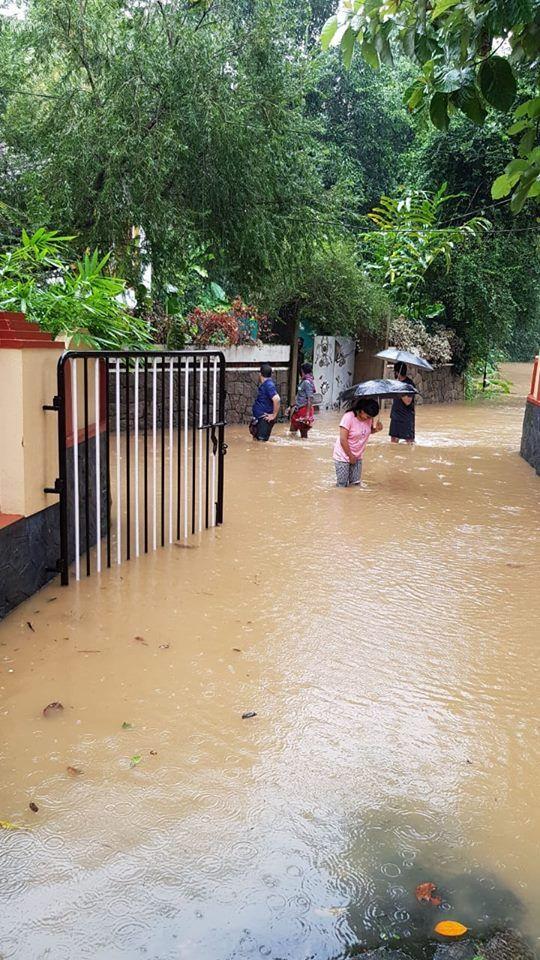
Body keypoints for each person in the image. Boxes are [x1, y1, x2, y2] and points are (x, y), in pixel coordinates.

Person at [333, 398, 382, 487]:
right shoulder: (348, 417)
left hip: (358, 455)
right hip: (343, 456)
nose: (369, 419)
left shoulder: (369, 419)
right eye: (368, 416)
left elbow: (365, 432)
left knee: (355, 484)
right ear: (361, 411)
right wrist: (350, 456)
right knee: (342, 485)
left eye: (371, 417)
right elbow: (343, 439)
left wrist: (376, 430)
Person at [249, 363, 280, 441]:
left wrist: (274, 415)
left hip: (264, 420)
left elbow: (277, 399)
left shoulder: (268, 385)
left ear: (260, 374)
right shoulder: (266, 384)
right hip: (260, 419)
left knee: (261, 443)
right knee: (257, 442)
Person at [389, 361, 416, 444]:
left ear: (397, 372)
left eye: (395, 372)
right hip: (395, 415)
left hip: (406, 417)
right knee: (393, 441)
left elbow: (408, 402)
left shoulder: (409, 384)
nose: (394, 374)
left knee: (409, 441)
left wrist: (399, 391)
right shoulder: (396, 383)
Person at [290, 362, 316, 439]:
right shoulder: (304, 381)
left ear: (302, 371)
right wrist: (291, 407)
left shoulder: (307, 382)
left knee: (303, 434)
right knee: (292, 431)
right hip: (299, 409)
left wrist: (307, 415)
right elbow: (299, 397)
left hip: (304, 410)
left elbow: (310, 399)